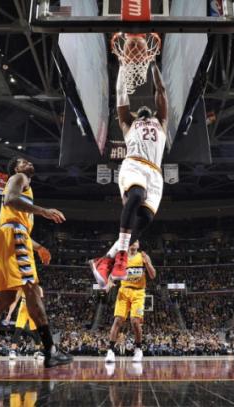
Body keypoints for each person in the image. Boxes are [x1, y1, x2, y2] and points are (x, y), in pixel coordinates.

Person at [0, 157, 72, 368]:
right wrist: (44, 211)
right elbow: (10, 199)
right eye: (22, 161)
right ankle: (50, 350)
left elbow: (18, 225)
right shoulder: (19, 178)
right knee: (32, 291)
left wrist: (39, 248)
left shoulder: (23, 195)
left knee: (7, 297)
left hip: (9, 237)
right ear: (16, 169)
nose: (28, 162)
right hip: (13, 237)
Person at [90, 60, 168, 286]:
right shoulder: (127, 124)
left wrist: (153, 68)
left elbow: (161, 91)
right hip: (133, 164)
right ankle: (120, 256)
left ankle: (105, 261)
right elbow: (121, 94)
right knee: (135, 196)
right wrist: (123, 70)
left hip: (155, 174)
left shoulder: (161, 122)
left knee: (144, 220)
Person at [104, 241, 156, 363]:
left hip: (138, 293)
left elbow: (153, 275)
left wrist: (147, 263)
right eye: (132, 240)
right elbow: (113, 274)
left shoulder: (143, 256)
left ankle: (138, 349)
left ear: (138, 244)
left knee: (135, 321)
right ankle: (111, 351)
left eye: (136, 241)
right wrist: (109, 282)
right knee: (117, 320)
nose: (134, 243)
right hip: (124, 291)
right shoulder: (122, 257)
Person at [5, 287, 44, 360]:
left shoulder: (38, 289)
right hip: (23, 308)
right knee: (18, 329)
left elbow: (40, 303)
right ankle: (13, 351)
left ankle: (37, 351)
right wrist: (9, 314)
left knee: (36, 331)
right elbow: (15, 302)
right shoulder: (21, 288)